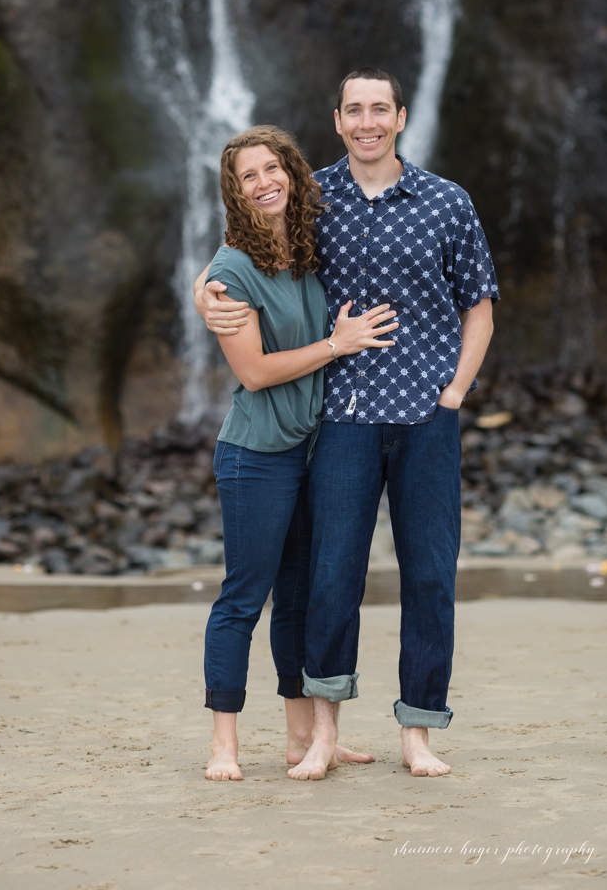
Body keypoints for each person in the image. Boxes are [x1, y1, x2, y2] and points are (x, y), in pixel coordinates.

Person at [196, 68, 498, 780]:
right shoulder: (311, 200)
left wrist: (456, 390)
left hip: (427, 417)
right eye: (354, 110)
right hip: (341, 418)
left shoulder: (447, 202)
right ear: (337, 121)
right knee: (332, 577)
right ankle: (324, 732)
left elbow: (478, 305)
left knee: (431, 576)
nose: (367, 121)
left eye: (379, 110)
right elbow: (243, 253)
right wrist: (203, 297)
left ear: (399, 117)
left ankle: (419, 731)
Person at [202, 125, 397, 782]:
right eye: (248, 177)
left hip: (313, 450)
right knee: (243, 596)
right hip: (256, 454)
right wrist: (338, 345)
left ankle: (300, 738)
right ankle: (224, 747)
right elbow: (254, 372)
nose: (264, 183)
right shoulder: (232, 268)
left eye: (271, 169)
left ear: (291, 171)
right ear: (236, 192)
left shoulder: (309, 247)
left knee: (298, 599)